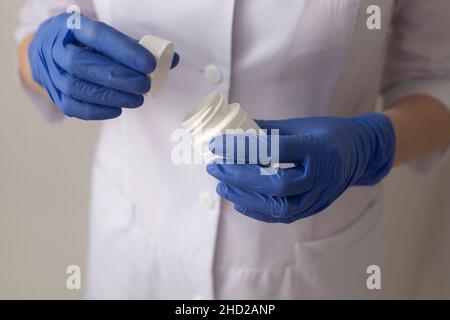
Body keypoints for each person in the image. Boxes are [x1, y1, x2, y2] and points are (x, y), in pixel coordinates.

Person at [17, 0, 450, 299]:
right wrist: (47, 57)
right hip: (135, 250)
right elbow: (41, 23)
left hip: (309, 270)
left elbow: (436, 78)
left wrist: (373, 146)